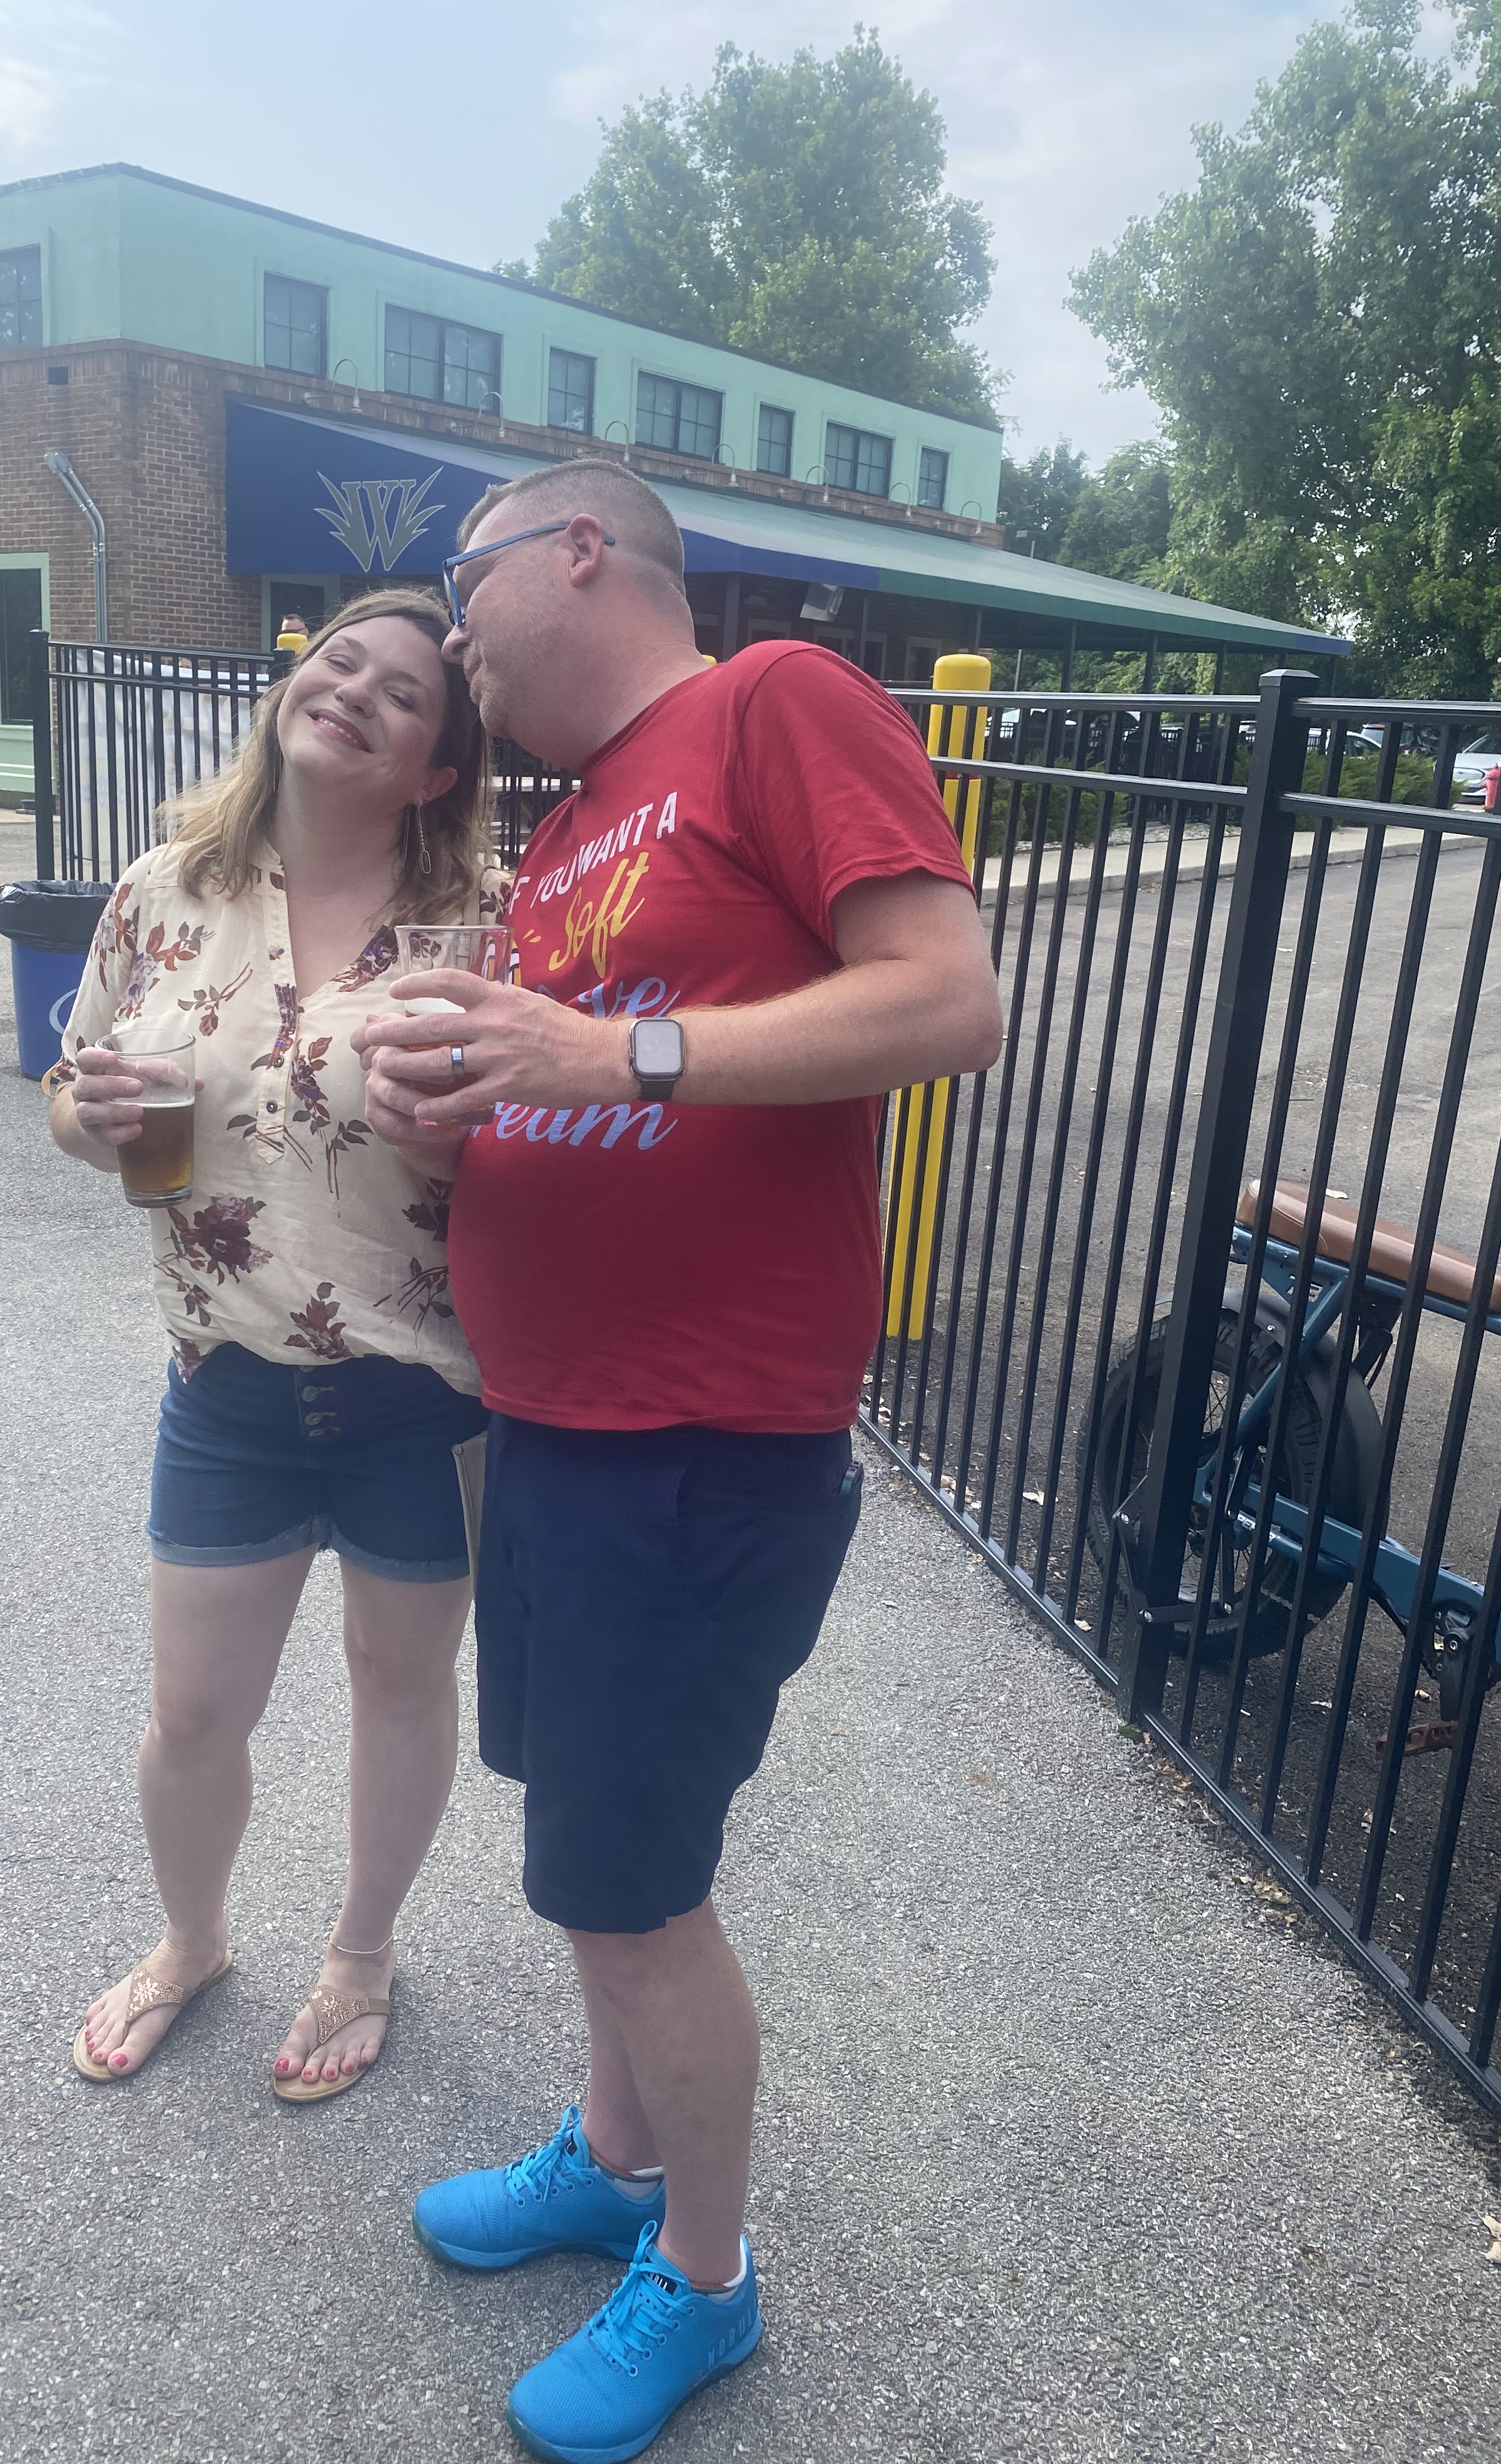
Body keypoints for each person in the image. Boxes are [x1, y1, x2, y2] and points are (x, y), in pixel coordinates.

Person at [356, 462, 1002, 2459]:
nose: (449, 633)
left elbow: (949, 1001)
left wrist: (603, 1054)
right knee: (586, 1851)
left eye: (460, 584)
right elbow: (589, 1088)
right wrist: (464, 1108)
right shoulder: (572, 829)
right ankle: (616, 2154)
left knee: (639, 1890)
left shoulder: (774, 701)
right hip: (561, 1425)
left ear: (577, 553)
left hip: (698, 1441)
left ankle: (707, 2278)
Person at [49, 587, 504, 2102]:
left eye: (404, 695)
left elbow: (548, 1139)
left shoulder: (483, 924)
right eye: (340, 663)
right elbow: (70, 1089)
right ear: (291, 689)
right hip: (226, 1382)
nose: (356, 692)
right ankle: (191, 1943)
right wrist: (90, 1119)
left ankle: (362, 1955)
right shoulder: (163, 892)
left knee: (400, 1690)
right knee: (193, 1713)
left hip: (420, 1394)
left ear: (437, 769)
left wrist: (470, 1136)